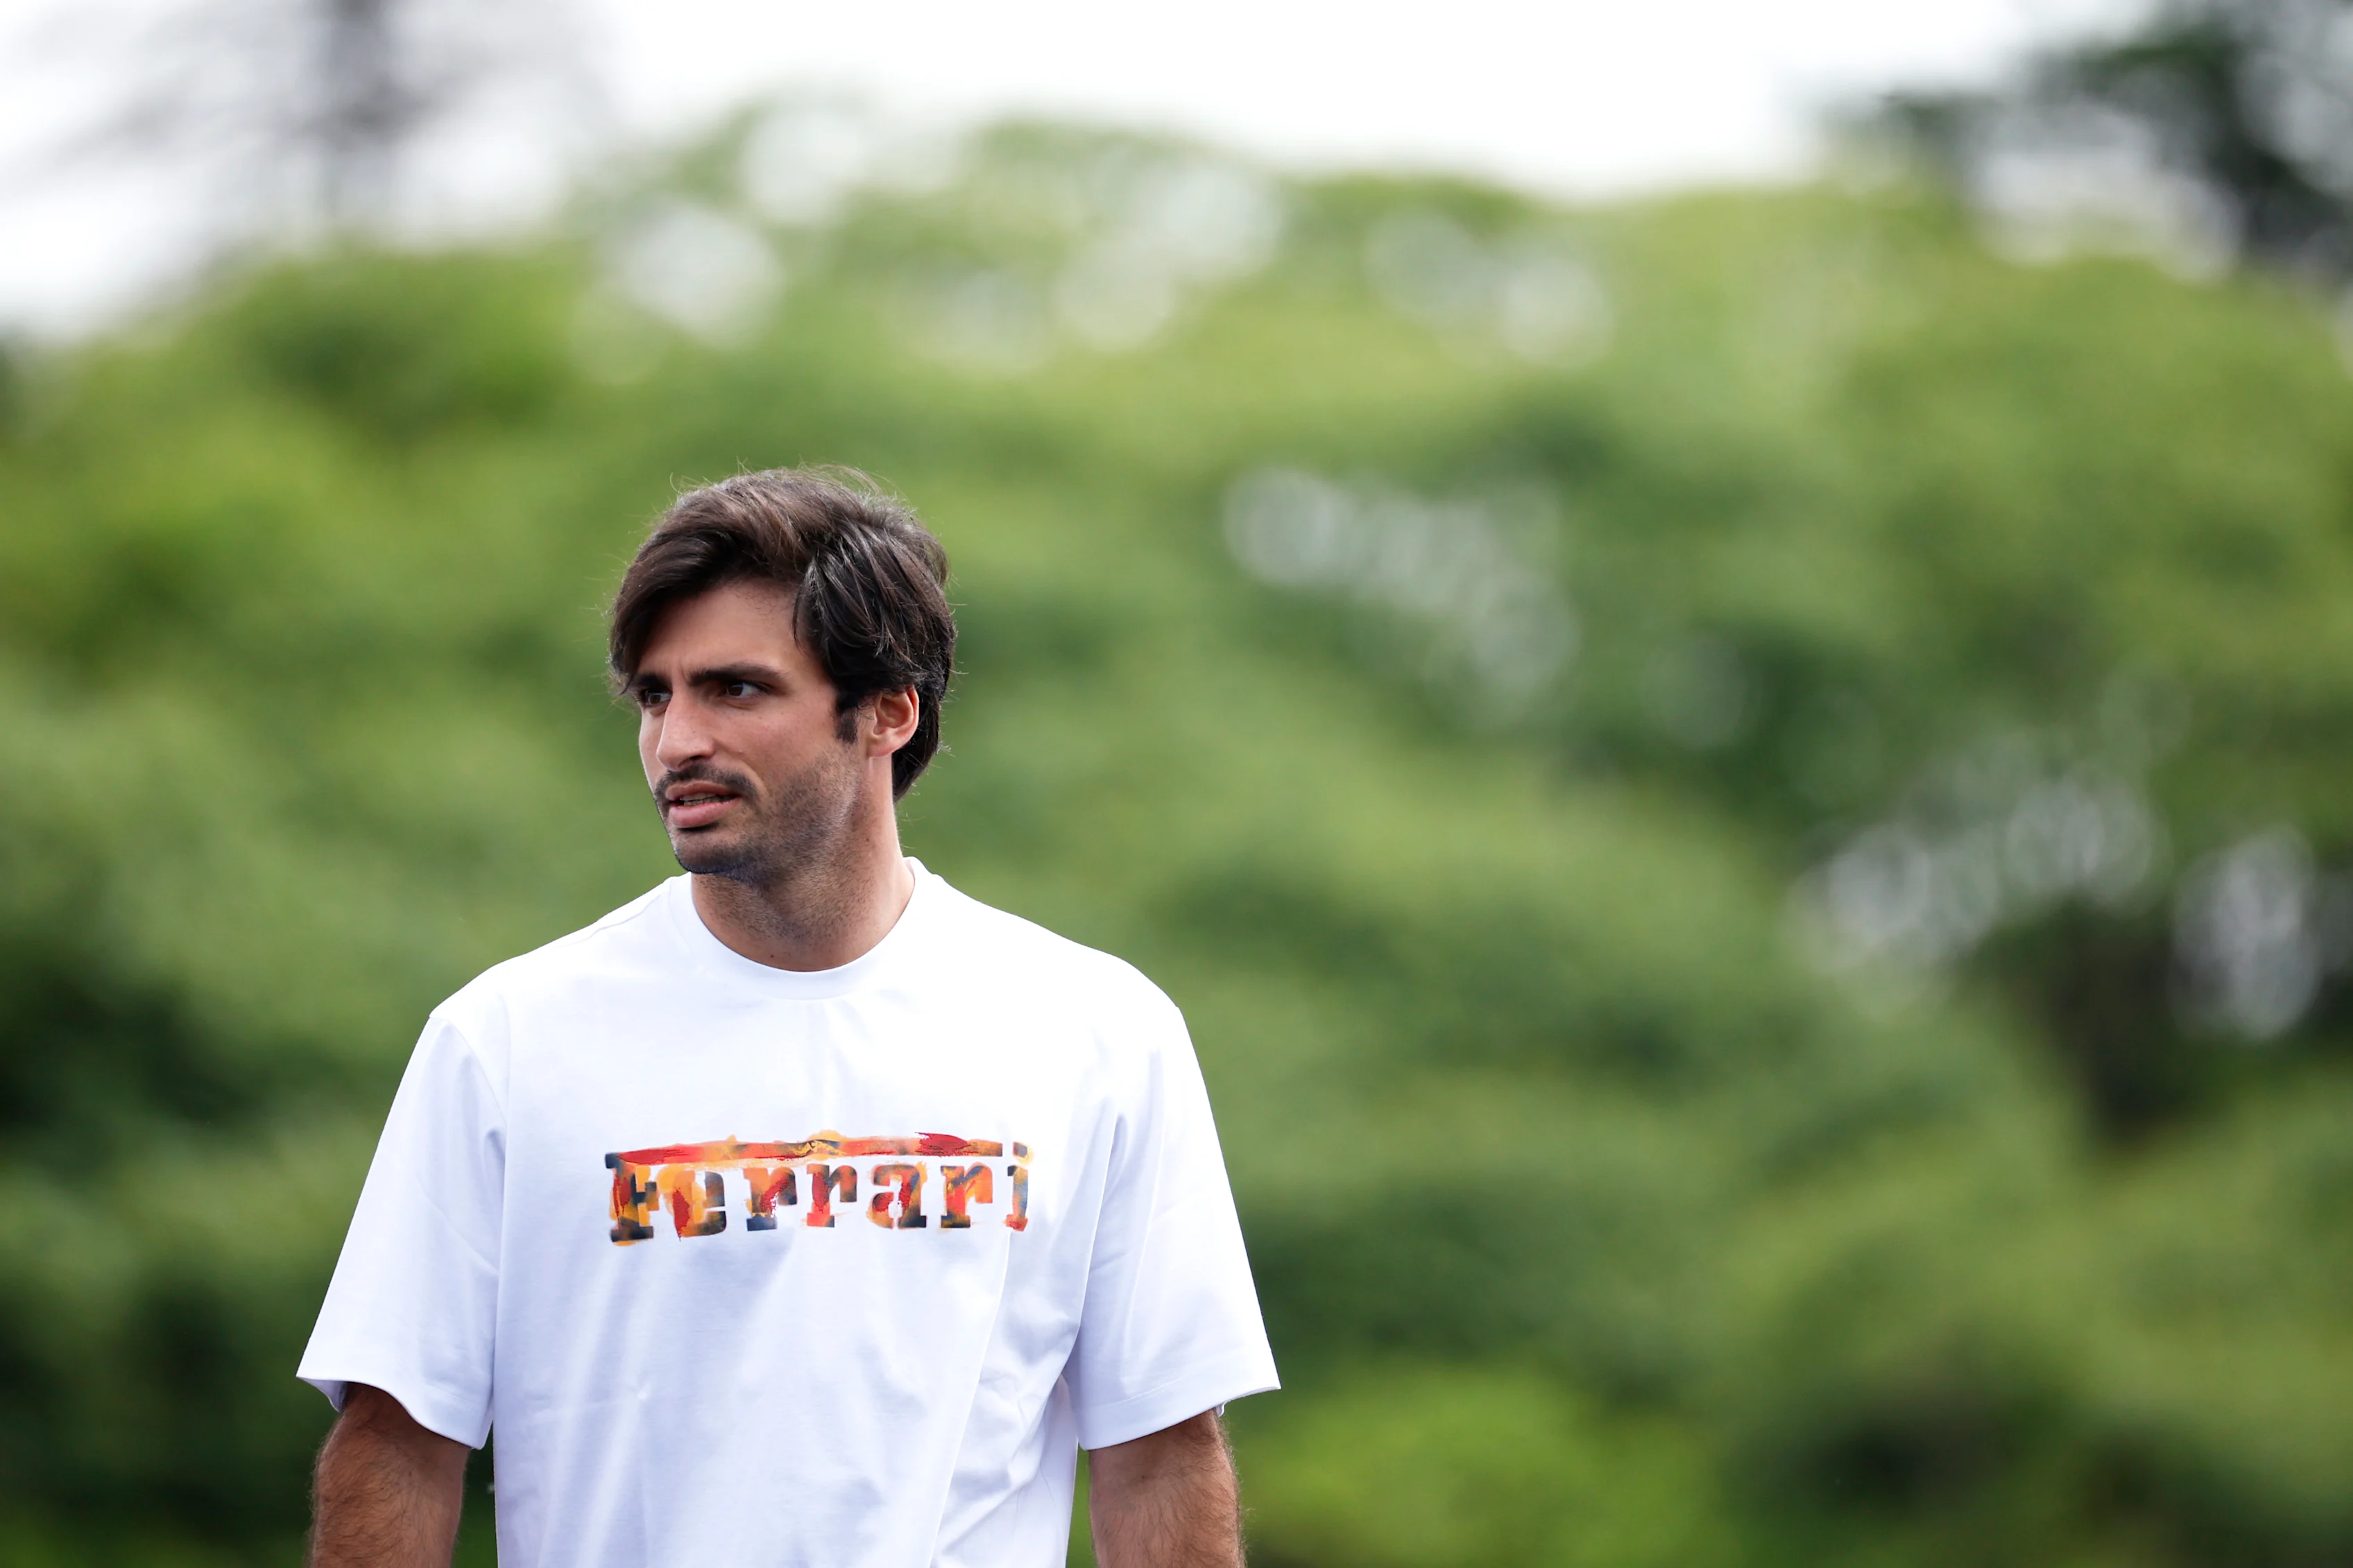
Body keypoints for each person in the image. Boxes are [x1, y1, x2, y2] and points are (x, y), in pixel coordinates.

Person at [296, 469, 1278, 1567]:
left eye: (737, 690)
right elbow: (396, 1442)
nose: (676, 744)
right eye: (657, 696)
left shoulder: (1097, 1032)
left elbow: (1161, 1451)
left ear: (889, 711)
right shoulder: (507, 1040)